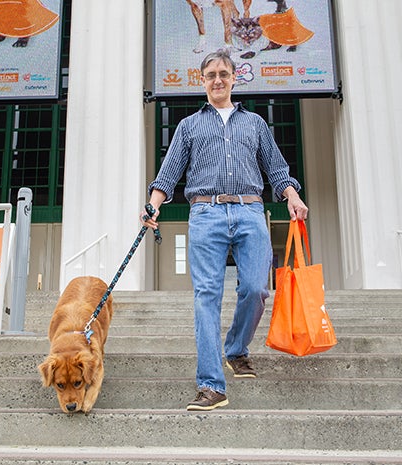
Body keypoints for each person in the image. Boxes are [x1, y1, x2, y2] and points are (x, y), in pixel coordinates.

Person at [141, 49, 308, 411]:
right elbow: (169, 174)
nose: (218, 80)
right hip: (205, 213)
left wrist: (291, 195)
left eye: (224, 74)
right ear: (202, 81)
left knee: (256, 288)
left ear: (235, 78)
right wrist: (153, 204)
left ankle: (236, 349)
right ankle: (211, 385)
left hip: (250, 211)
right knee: (207, 297)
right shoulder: (189, 126)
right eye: (211, 74)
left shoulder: (255, 124)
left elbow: (277, 169)